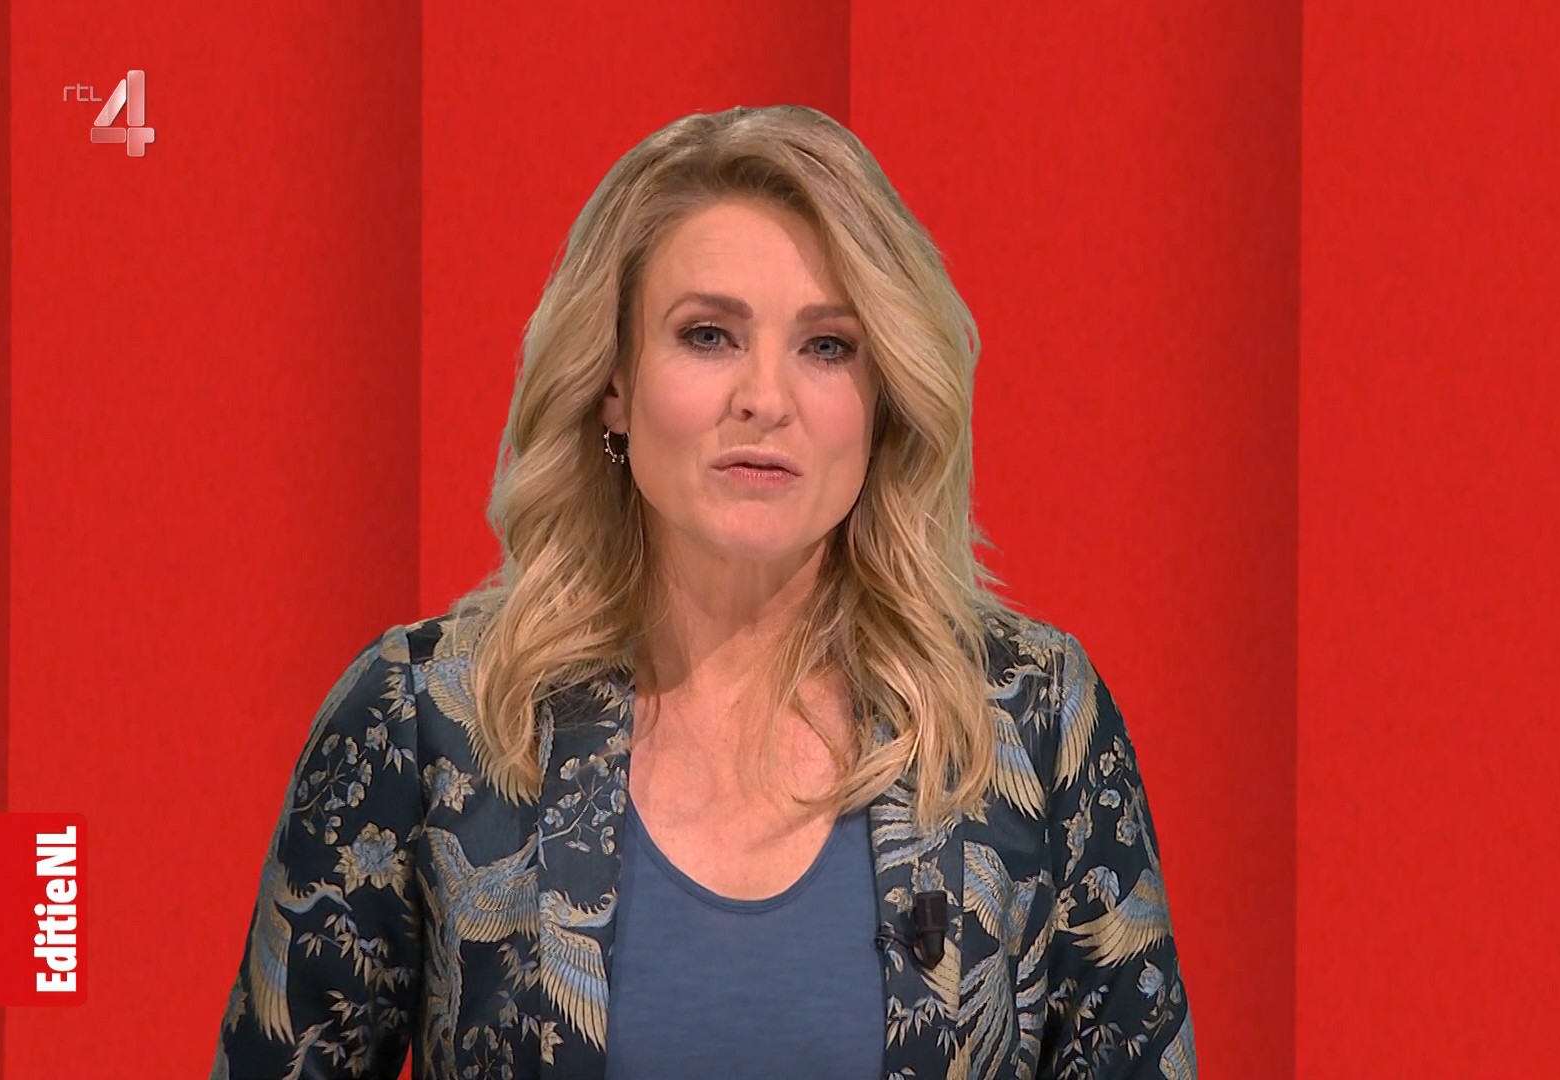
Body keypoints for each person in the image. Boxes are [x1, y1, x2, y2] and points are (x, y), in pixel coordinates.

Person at [209, 103, 1195, 1080]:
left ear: (884, 397)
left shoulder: (1032, 720)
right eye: (710, 334)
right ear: (615, 384)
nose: (764, 398)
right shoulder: (428, 720)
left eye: (827, 346)